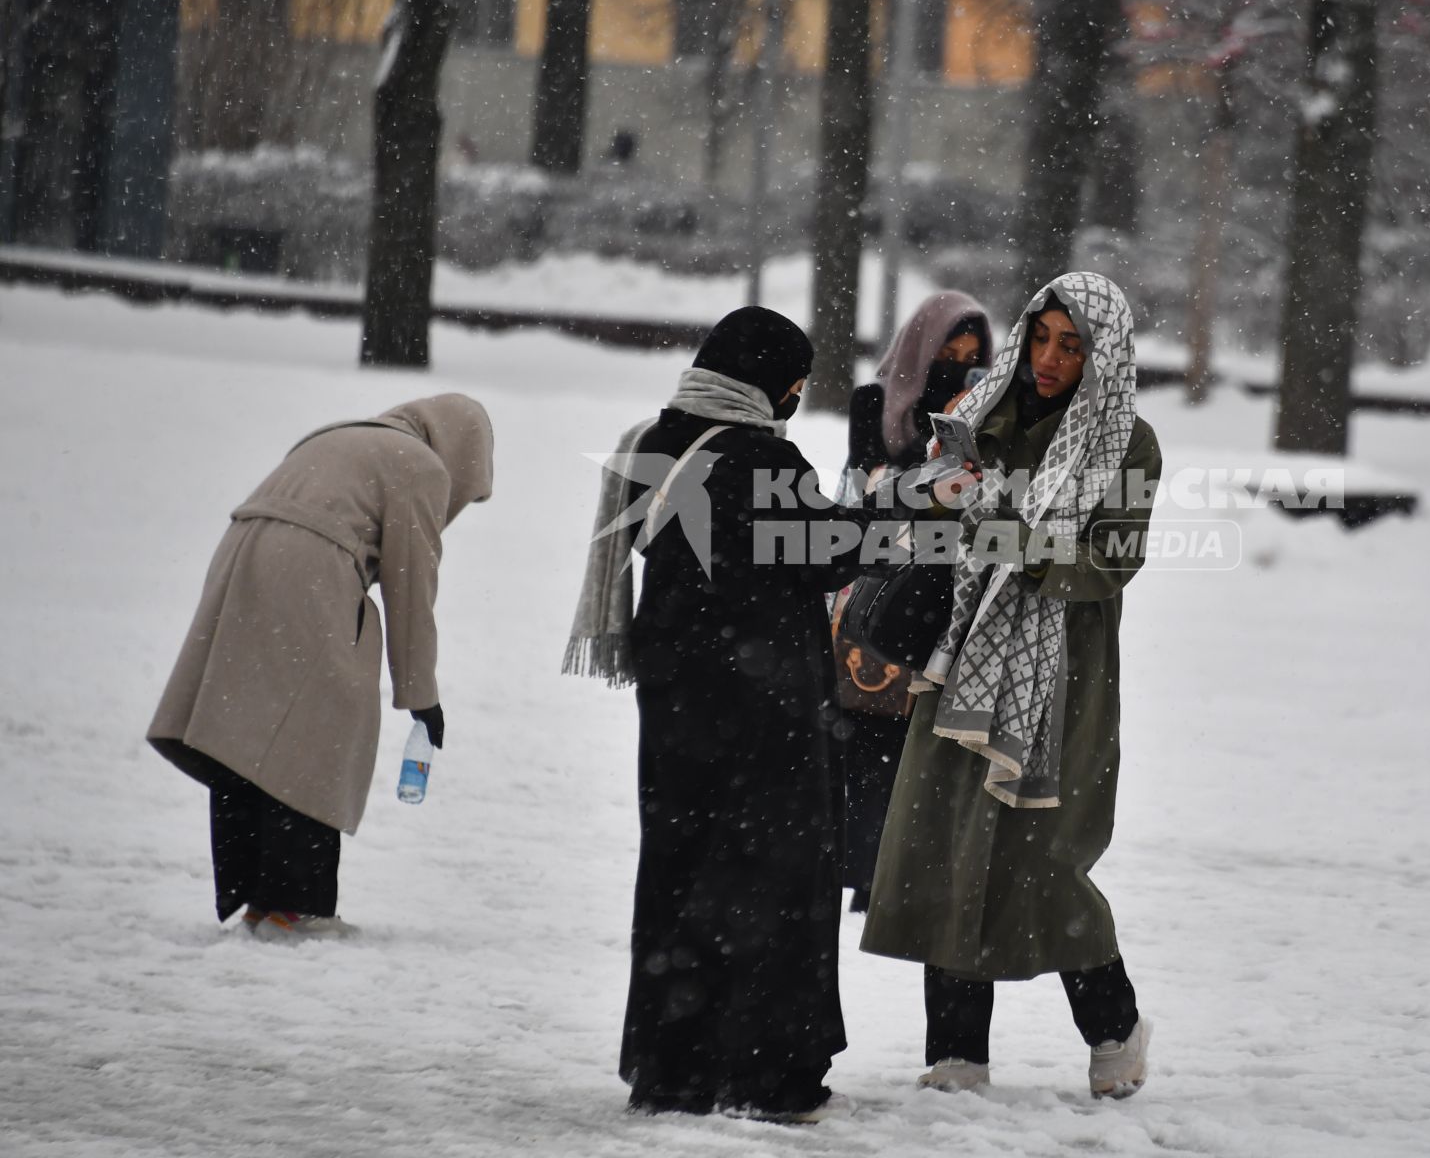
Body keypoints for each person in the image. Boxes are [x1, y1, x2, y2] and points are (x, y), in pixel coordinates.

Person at [565, 305, 912, 1121]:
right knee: (774, 881)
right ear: (769, 381)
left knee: (683, 867)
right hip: (766, 710)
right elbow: (829, 552)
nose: (794, 397)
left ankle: (673, 1063)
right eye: (792, 383)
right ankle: (764, 1070)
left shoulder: (653, 443)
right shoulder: (760, 457)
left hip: (679, 701)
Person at [860, 271, 1161, 1099]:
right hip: (961, 658)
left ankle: (1113, 1028)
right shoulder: (979, 415)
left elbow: (1114, 560)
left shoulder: (1126, 442)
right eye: (1041, 338)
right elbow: (922, 513)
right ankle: (956, 1053)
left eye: (1073, 344)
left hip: (1063, 671)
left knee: (1045, 857)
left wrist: (1015, 542)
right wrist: (935, 495)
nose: (1050, 358)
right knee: (941, 841)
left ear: (1104, 355)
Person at [146, 394, 495, 940]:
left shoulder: (335, 433)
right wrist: (421, 696)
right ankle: (296, 906)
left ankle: (258, 896)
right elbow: (411, 587)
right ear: (460, 455)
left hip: (241, 556)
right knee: (320, 732)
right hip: (310, 567)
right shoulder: (422, 465)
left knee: (247, 728)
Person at [836, 290, 992, 913]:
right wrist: (928, 470)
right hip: (882, 576)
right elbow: (867, 485)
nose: (956, 365)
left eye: (971, 355)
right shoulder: (875, 402)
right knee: (867, 724)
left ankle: (904, 871)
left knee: (921, 736)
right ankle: (863, 866)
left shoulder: (983, 407)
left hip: (944, 584)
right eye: (946, 353)